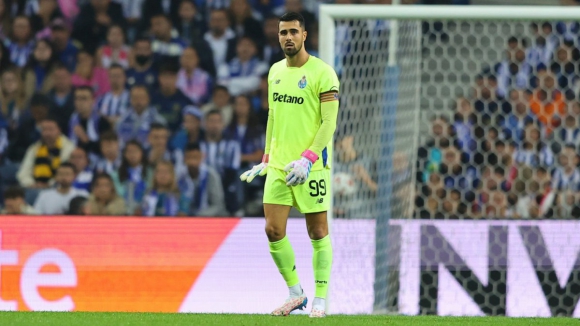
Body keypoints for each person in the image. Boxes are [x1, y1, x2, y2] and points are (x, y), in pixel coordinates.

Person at [239, 12, 340, 318]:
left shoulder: (324, 73)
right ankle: (296, 293)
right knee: (272, 229)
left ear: (305, 36)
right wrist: (267, 158)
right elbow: (273, 117)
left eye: (294, 32)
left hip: (312, 168)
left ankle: (321, 298)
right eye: (283, 32)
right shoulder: (274, 72)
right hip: (280, 167)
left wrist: (309, 159)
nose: (288, 37)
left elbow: (328, 123)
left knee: (318, 231)